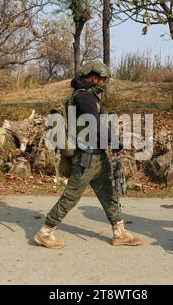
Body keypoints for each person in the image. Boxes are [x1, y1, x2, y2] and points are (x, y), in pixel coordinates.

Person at [34, 60, 142, 249]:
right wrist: (116, 144)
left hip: (98, 156)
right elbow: (95, 125)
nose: (104, 83)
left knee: (109, 193)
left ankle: (119, 232)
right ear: (93, 77)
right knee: (71, 196)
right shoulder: (83, 97)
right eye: (103, 79)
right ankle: (45, 232)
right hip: (87, 158)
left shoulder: (90, 97)